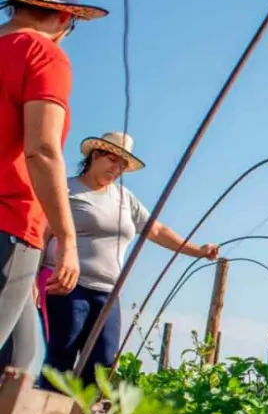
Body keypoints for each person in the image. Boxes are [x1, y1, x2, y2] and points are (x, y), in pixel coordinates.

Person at [38, 132, 220, 387]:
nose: (117, 169)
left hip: (108, 293)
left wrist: (197, 251)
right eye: (113, 160)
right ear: (95, 155)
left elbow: (156, 230)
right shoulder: (66, 189)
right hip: (66, 285)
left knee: (103, 363)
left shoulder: (125, 199)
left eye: (123, 165)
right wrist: (32, 281)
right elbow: (42, 232)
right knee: (61, 358)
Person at [0, 0, 108, 371]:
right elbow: (43, 151)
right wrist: (65, 239)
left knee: (22, 361)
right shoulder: (44, 54)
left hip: (17, 238)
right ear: (66, 17)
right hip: (9, 224)